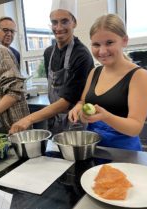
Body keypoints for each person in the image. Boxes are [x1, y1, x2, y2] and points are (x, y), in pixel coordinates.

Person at [68, 14, 147, 151]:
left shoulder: (139, 76)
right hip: (94, 148)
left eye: (109, 43)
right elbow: (83, 102)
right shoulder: (94, 72)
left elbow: (135, 128)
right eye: (96, 44)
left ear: (124, 41)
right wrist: (79, 109)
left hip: (124, 152)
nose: (102, 51)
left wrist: (106, 117)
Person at [9, 0, 94, 134]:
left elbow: (67, 101)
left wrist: (28, 119)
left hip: (75, 122)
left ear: (74, 22)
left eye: (64, 21)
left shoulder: (82, 55)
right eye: (54, 22)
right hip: (54, 120)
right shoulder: (49, 53)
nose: (58, 28)